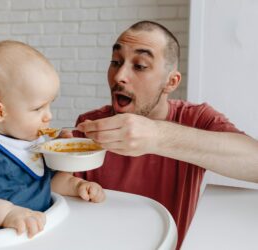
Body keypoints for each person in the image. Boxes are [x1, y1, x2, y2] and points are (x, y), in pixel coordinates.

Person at [72, 20, 258, 248]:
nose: (119, 75)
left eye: (139, 65)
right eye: (115, 62)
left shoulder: (197, 119)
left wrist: (157, 136)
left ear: (171, 81)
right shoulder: (90, 123)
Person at [0, 40, 105, 238]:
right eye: (38, 108)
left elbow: (47, 185)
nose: (48, 116)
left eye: (50, 105)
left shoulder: (35, 141)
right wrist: (7, 213)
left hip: (34, 235)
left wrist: (77, 186)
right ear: (0, 111)